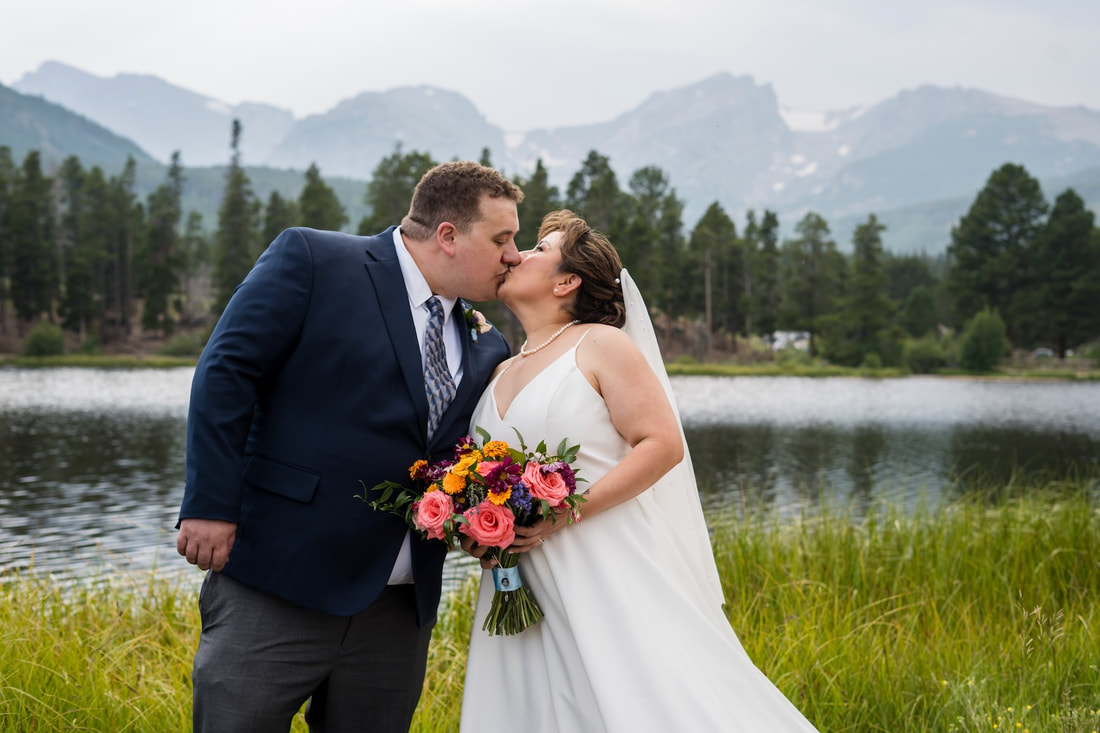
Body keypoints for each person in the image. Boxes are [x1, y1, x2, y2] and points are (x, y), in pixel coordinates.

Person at [175, 161, 523, 732]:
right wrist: (211, 504)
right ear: (448, 235)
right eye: (501, 239)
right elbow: (227, 372)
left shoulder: (488, 344)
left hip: (398, 608)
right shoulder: (316, 261)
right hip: (279, 581)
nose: (514, 255)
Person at [459, 210, 819, 731]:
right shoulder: (500, 368)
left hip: (603, 564)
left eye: (539, 249)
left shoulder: (599, 345)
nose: (518, 255)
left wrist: (567, 513)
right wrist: (480, 528)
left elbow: (662, 445)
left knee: (644, 700)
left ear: (566, 282)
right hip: (519, 577)